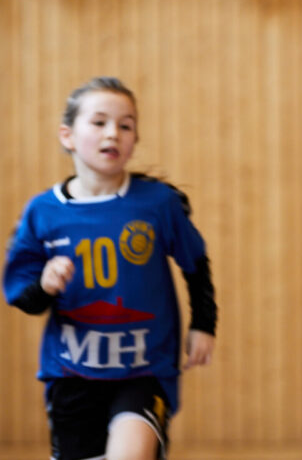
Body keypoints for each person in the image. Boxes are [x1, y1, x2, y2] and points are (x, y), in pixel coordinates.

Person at [3, 76, 217, 460]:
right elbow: (25, 299)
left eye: (126, 124)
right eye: (99, 122)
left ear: (135, 139)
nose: (113, 133)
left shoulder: (158, 204)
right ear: (67, 135)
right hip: (71, 375)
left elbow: (196, 264)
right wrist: (46, 285)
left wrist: (204, 323)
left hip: (144, 371)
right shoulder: (42, 212)